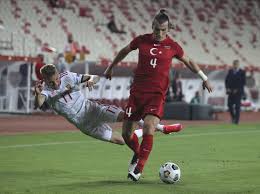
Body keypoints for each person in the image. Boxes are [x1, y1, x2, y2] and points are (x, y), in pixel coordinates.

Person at [104, 9, 213, 182]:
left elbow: (189, 61)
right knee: (126, 134)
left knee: (148, 127)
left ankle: (138, 169)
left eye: (163, 30)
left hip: (156, 94)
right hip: (137, 93)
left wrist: (204, 78)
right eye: (156, 29)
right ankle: (140, 153)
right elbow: (124, 51)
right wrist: (111, 67)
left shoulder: (173, 46)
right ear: (152, 26)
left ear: (168, 29)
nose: (159, 33)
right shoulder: (141, 40)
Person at [34, 64, 183, 146]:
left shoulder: (67, 76)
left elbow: (96, 77)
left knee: (126, 116)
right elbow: (39, 103)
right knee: (122, 141)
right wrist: (37, 94)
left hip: (92, 109)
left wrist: (91, 80)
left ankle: (162, 128)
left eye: (56, 80)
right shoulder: (45, 90)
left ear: (57, 74)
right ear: (45, 80)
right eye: (51, 82)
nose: (55, 84)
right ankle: (149, 131)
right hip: (83, 124)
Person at [225, 59, 246, 124]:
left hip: (238, 92)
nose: (235, 65)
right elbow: (226, 81)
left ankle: (236, 121)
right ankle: (233, 117)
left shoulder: (242, 72)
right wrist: (227, 88)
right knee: (229, 105)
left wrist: (237, 89)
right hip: (230, 92)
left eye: (236, 64)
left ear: (238, 65)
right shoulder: (230, 71)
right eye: (234, 64)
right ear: (233, 65)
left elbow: (243, 82)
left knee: (237, 106)